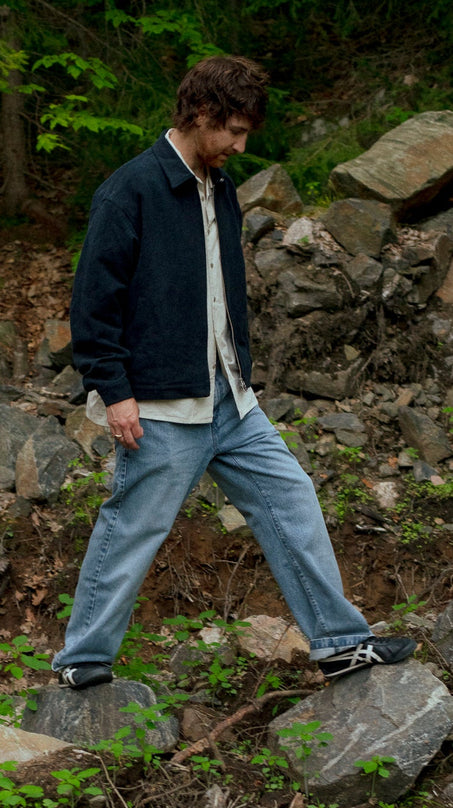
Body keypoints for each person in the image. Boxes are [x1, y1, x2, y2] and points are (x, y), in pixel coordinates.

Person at [52, 55, 416, 688]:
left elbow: (219, 292)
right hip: (164, 406)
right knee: (135, 526)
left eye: (247, 134)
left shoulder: (218, 188)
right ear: (199, 114)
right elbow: (93, 304)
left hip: (232, 400)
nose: (240, 147)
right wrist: (115, 391)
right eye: (233, 132)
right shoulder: (130, 190)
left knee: (291, 497)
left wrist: (238, 371)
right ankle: (82, 660)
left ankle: (338, 643)